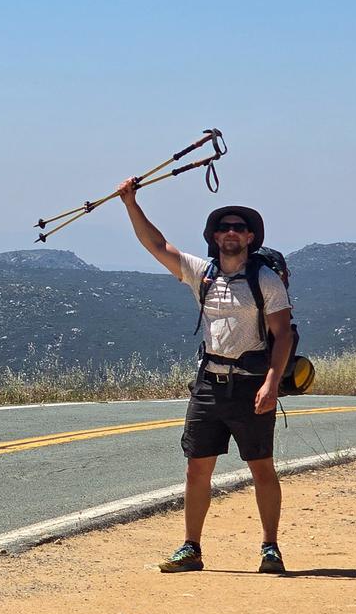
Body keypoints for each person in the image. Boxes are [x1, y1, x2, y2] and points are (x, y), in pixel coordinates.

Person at [114, 179, 293, 574]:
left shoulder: (264, 281)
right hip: (209, 383)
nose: (231, 232)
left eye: (238, 228)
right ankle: (191, 548)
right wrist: (131, 203)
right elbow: (158, 246)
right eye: (224, 227)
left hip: (250, 384)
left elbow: (284, 335)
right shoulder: (203, 274)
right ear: (214, 236)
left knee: (261, 466)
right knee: (197, 467)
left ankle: (270, 547)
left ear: (249, 237)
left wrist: (271, 382)